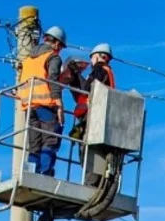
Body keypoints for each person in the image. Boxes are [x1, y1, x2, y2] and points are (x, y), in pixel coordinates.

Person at [16, 26, 67, 176]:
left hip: (28, 106)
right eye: (61, 47)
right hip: (45, 105)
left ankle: (31, 173)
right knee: (50, 140)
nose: (60, 50)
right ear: (57, 43)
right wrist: (59, 104)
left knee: (34, 145)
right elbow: (52, 79)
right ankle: (45, 173)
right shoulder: (53, 57)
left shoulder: (28, 60)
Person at [67, 43, 117, 145]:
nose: (91, 62)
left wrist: (76, 74)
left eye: (92, 58)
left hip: (92, 114)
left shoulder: (99, 69)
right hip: (98, 114)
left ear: (98, 57)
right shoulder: (107, 72)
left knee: (86, 147)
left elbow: (88, 89)